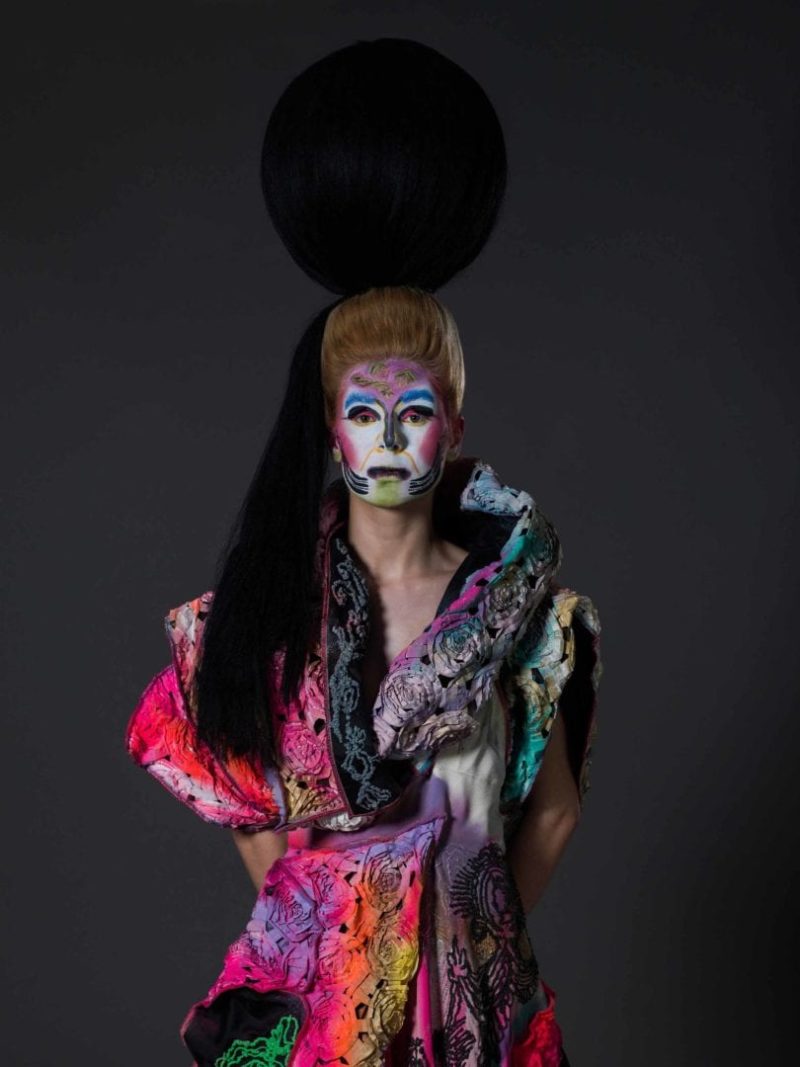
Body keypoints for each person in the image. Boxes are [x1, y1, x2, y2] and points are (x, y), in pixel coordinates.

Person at [125, 38, 602, 1067]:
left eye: (414, 412)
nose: (387, 439)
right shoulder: (262, 614)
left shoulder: (527, 614)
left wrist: (459, 950)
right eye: (363, 413)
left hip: (464, 1004)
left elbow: (555, 810)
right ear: (328, 429)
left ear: (456, 425)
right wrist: (359, 947)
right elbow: (245, 806)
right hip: (331, 1010)